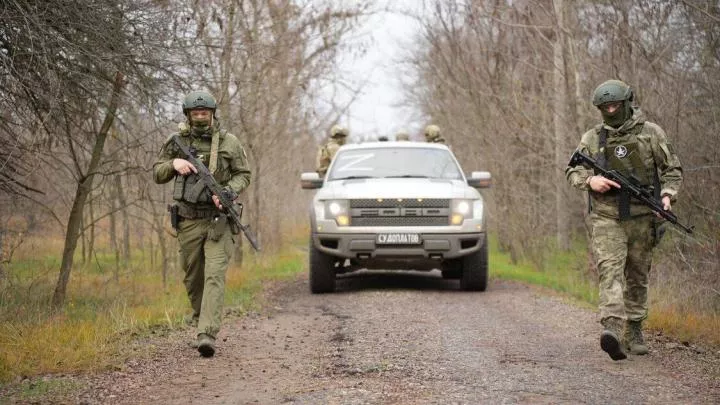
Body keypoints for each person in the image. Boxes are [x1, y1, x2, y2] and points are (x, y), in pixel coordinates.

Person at [566, 79, 683, 361]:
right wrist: (591, 180)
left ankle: (634, 329)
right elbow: (572, 172)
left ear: (627, 103)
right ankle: (612, 329)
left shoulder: (651, 134)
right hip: (607, 218)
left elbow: (672, 170)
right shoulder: (592, 138)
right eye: (604, 107)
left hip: (643, 218)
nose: (610, 110)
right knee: (610, 271)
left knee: (638, 275)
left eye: (614, 105)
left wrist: (666, 197)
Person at [153, 90, 251, 357]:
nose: (200, 117)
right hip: (188, 220)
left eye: (204, 113)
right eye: (195, 113)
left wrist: (228, 192)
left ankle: (206, 334)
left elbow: (244, 174)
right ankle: (201, 319)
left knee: (215, 275)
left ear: (212, 114)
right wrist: (174, 163)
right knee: (193, 277)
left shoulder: (229, 142)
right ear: (187, 114)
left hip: (220, 221)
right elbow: (157, 172)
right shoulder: (177, 142)